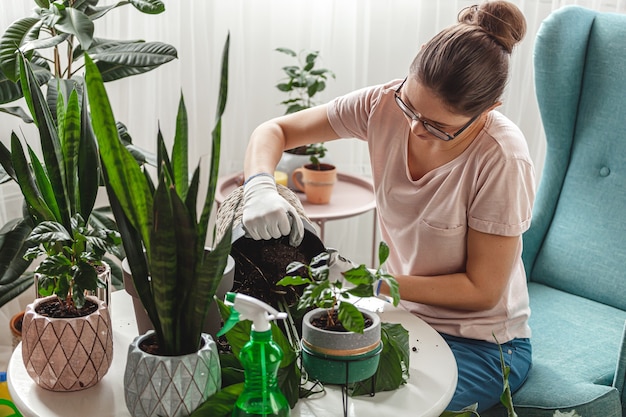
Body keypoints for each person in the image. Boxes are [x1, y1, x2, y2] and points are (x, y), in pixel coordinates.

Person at [241, 0, 534, 412]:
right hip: (406, 319)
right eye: (410, 106)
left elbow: (482, 291)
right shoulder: (383, 105)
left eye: (438, 127)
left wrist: (372, 283)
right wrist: (259, 185)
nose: (414, 127)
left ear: (487, 111)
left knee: (368, 408)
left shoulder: (502, 158)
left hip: (484, 347)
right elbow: (275, 130)